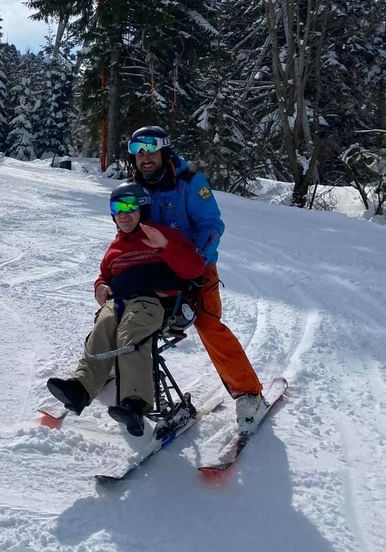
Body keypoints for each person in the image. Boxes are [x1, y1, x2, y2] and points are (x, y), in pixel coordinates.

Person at [126, 125, 266, 434]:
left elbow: (212, 226)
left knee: (208, 324)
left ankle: (249, 394)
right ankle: (117, 375)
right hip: (155, 269)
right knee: (129, 311)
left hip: (196, 269)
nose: (144, 156)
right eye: (137, 151)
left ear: (164, 149)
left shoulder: (189, 182)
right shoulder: (134, 188)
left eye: (150, 149)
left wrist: (197, 265)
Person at [47, 183, 205, 436]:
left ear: (142, 208)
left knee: (130, 334)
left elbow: (194, 269)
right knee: (103, 327)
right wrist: (100, 286)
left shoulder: (161, 235)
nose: (124, 213)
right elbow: (104, 277)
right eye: (117, 207)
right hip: (118, 302)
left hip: (152, 302)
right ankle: (81, 388)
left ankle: (134, 402)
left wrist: (164, 245)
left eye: (131, 206)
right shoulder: (115, 249)